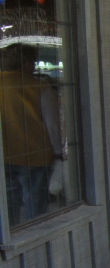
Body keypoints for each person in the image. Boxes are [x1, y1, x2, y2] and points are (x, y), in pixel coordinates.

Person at [0, 43, 64, 226]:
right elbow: (52, 124)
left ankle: (13, 237)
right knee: (35, 203)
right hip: (35, 155)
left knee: (7, 203)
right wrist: (58, 150)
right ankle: (38, 237)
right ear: (27, 64)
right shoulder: (39, 87)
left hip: (4, 154)